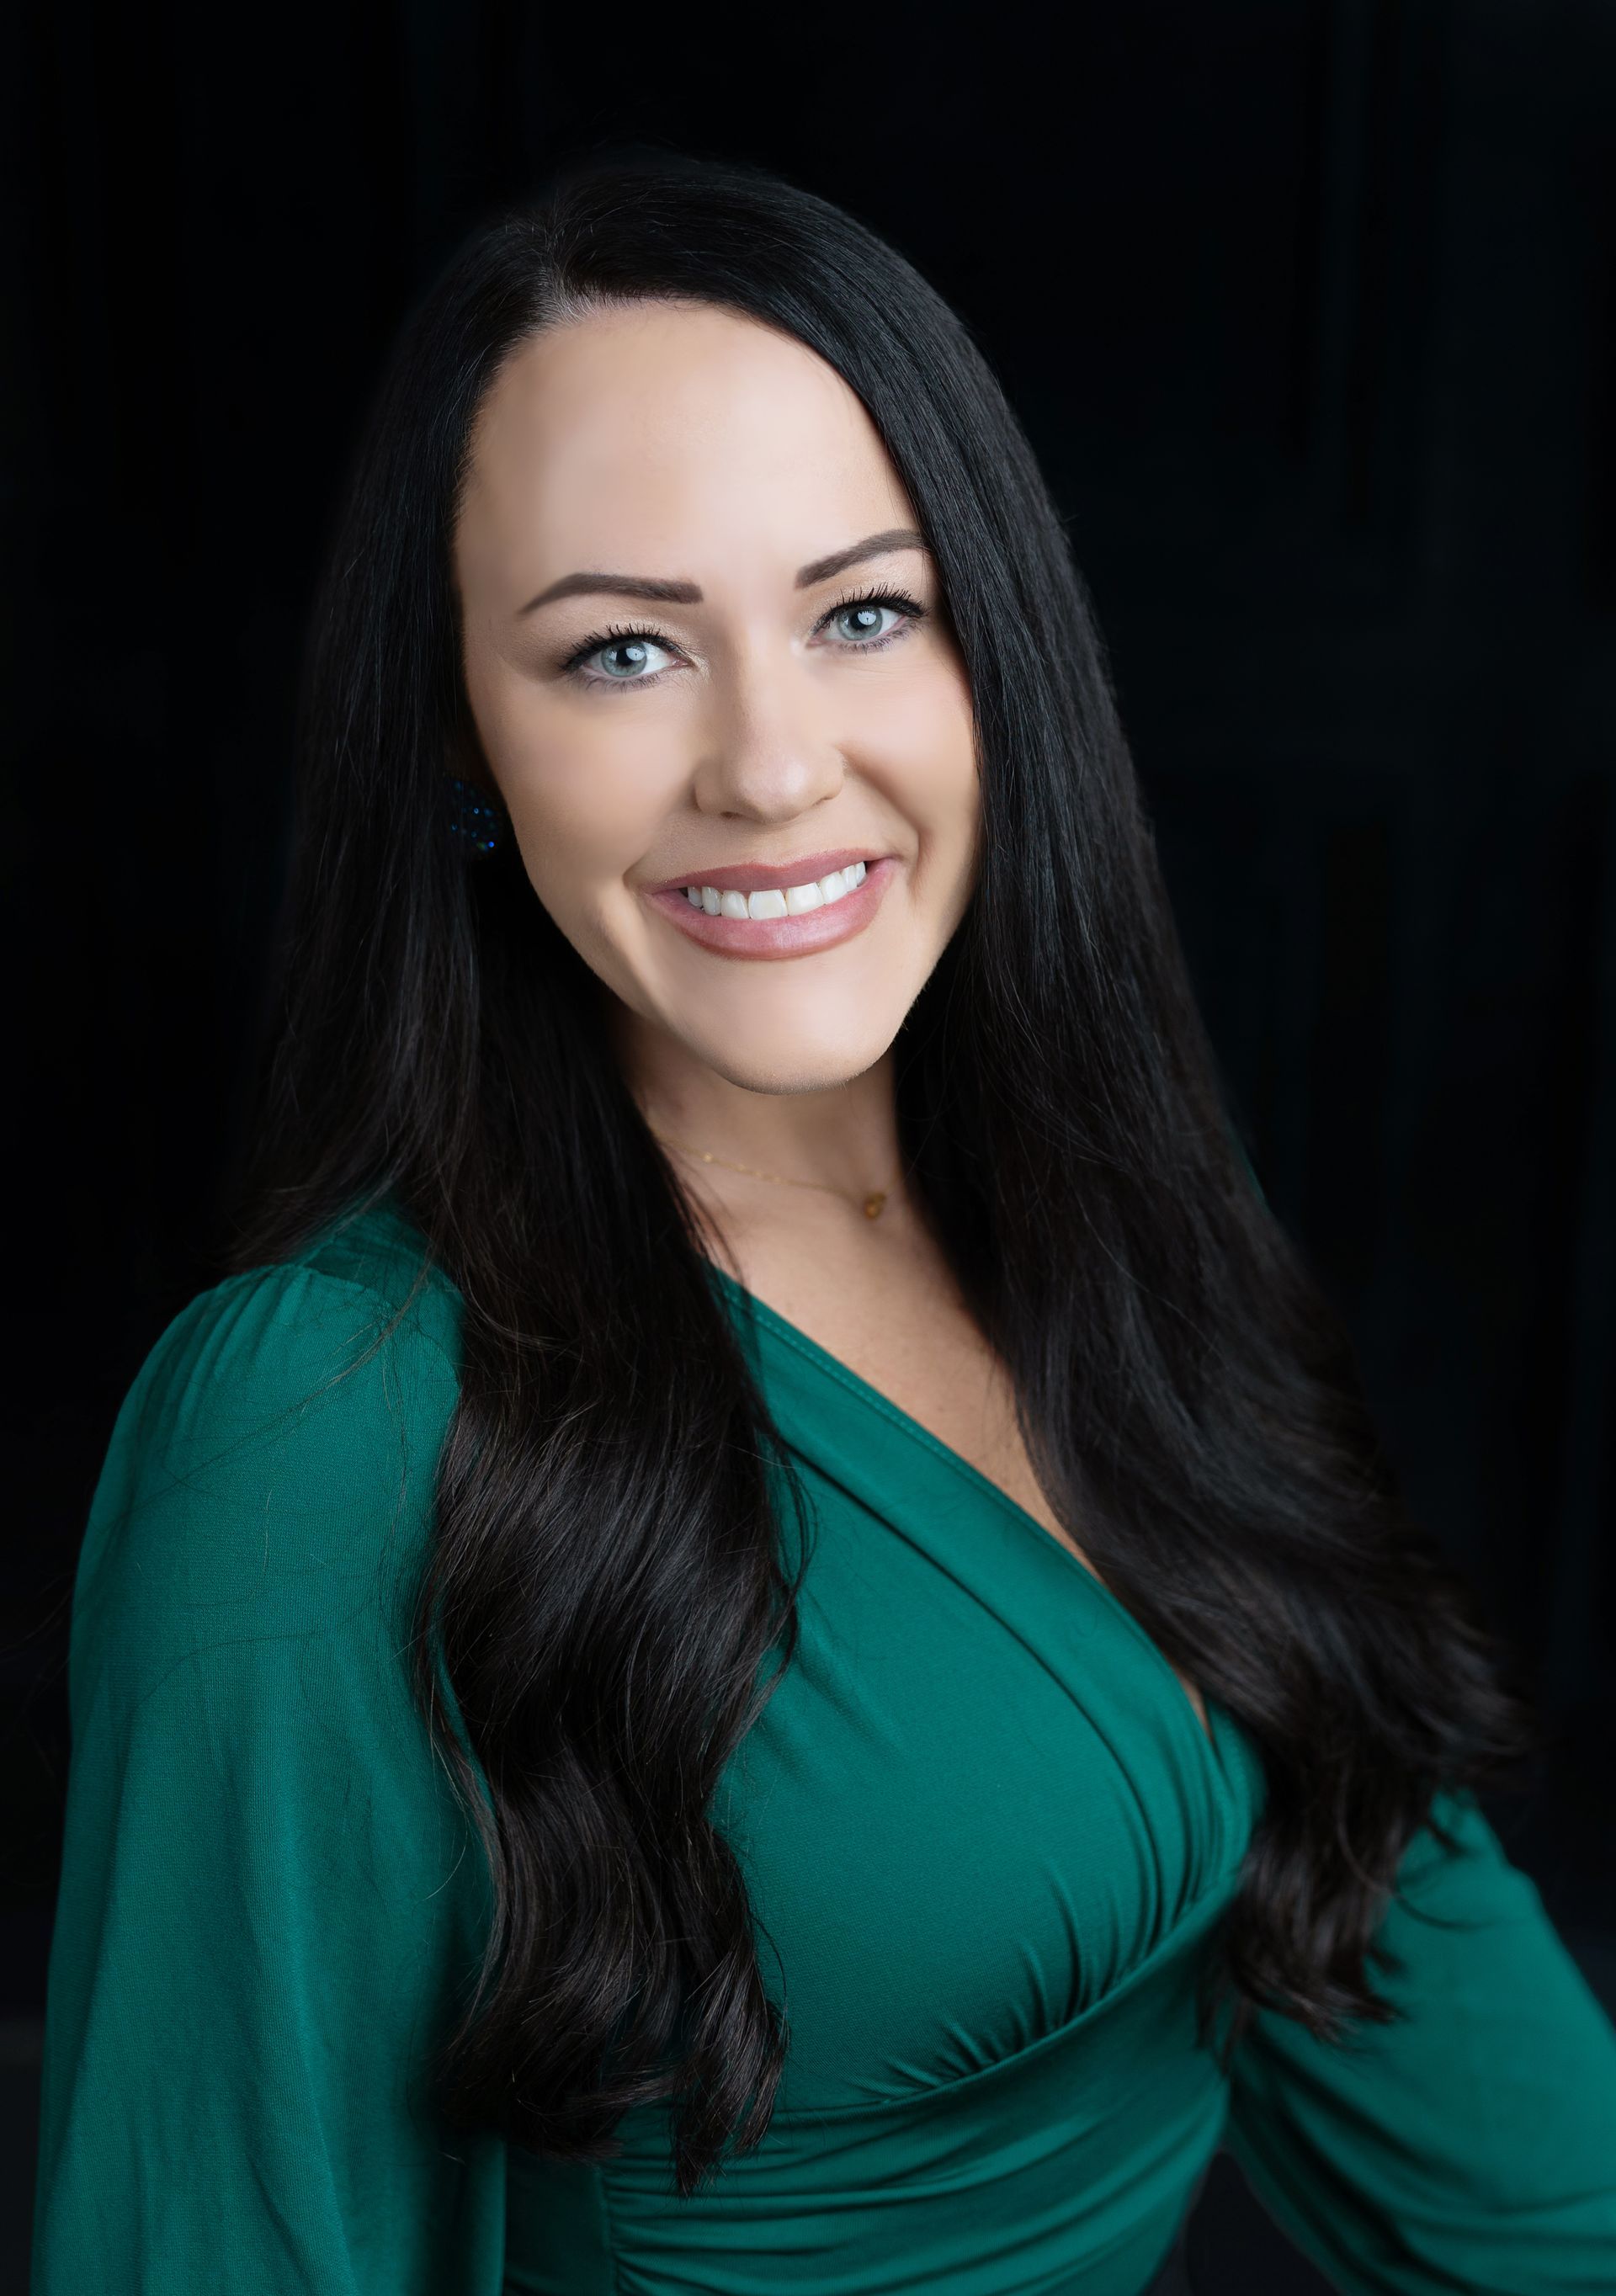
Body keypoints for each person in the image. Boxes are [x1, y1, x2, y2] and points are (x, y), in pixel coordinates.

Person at [31, 151, 1616, 2296]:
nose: (771, 768)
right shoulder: (313, 1434)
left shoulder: (1130, 1197)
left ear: (1001, 649)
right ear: (460, 740)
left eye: (864, 611)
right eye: (617, 652)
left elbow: (1389, 1925)